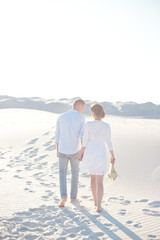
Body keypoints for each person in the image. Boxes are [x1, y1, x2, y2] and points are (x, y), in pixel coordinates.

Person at [79, 103, 115, 212]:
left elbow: (85, 141)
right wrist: (113, 155)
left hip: (90, 152)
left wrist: (81, 154)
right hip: (101, 153)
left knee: (93, 179)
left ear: (93, 113)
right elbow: (109, 142)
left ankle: (95, 201)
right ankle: (99, 206)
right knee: (100, 181)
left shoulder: (88, 124)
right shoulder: (107, 126)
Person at [55, 98, 85, 207]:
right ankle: (73, 198)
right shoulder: (81, 118)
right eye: (83, 108)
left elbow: (57, 135)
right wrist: (82, 151)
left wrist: (57, 150)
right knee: (75, 173)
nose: (83, 110)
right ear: (79, 106)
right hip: (75, 150)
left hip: (62, 149)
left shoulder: (61, 117)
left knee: (62, 173)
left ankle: (63, 197)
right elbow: (82, 136)